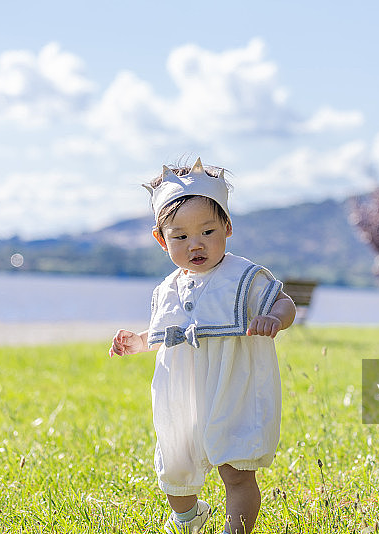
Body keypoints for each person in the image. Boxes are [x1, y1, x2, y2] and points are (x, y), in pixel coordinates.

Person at [109, 157, 296, 534]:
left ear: (227, 228)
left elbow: (285, 302)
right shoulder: (166, 289)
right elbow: (165, 333)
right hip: (181, 393)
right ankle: (187, 517)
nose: (195, 244)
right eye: (180, 237)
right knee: (175, 468)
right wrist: (139, 342)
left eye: (207, 232)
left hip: (232, 385)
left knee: (236, 469)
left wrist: (274, 318)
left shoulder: (243, 275)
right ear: (162, 240)